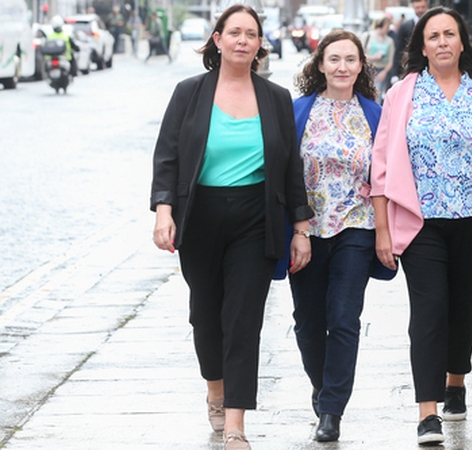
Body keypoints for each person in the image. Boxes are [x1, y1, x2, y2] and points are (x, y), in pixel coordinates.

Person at [150, 5, 313, 449]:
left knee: (243, 318)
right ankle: (216, 391)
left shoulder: (276, 98)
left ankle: (237, 422)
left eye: (251, 34)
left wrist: (300, 227)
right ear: (217, 39)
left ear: (261, 44)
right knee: (205, 315)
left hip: (255, 216)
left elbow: (291, 167)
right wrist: (164, 211)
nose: (243, 40)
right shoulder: (189, 93)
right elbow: (167, 157)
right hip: (199, 214)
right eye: (234, 32)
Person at [370, 6, 472, 446]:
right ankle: (428, 413)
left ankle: (456, 380)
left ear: (462, 42)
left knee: (463, 309)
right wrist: (383, 230)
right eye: (434, 36)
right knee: (429, 310)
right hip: (420, 221)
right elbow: (382, 164)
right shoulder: (402, 93)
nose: (442, 42)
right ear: (421, 46)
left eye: (450, 34)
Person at [290, 29, 383, 443]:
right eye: (334, 59)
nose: (342, 67)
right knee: (308, 322)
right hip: (306, 230)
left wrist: (383, 230)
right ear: (320, 65)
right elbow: (285, 173)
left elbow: (385, 176)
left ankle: (331, 410)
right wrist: (298, 228)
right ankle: (322, 385)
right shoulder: (298, 111)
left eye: (350, 59)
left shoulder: (374, 115)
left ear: (361, 65)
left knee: (344, 319)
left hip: (356, 226)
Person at [390, 0, 428, 85]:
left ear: (427, 7)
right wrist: (395, 74)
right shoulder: (405, 26)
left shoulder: (433, 24)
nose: (420, 10)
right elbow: (398, 49)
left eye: (422, 7)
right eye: (417, 7)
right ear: (413, 8)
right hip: (410, 67)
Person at [363, 17, 394, 100]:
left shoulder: (389, 41)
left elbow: (391, 60)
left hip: (381, 69)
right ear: (380, 26)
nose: (388, 30)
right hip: (368, 67)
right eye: (387, 27)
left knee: (377, 94)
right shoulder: (368, 36)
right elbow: (360, 54)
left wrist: (384, 72)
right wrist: (373, 57)